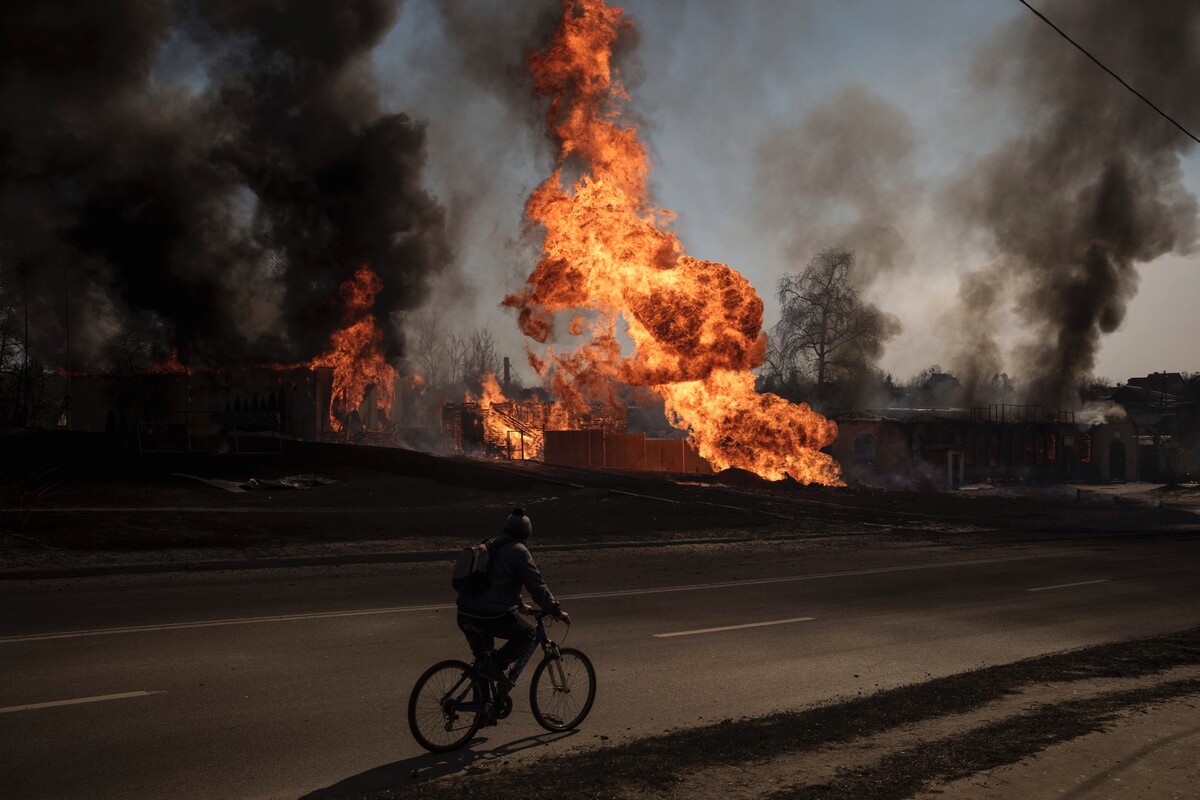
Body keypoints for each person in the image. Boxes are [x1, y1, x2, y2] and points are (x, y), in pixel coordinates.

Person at [456, 507, 570, 688]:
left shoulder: (491, 545)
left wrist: (520, 604)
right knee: (528, 633)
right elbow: (537, 585)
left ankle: (483, 712)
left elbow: (499, 581)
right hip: (489, 615)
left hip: (465, 612)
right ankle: (497, 665)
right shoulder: (519, 551)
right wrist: (555, 610)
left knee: (482, 665)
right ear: (526, 534)